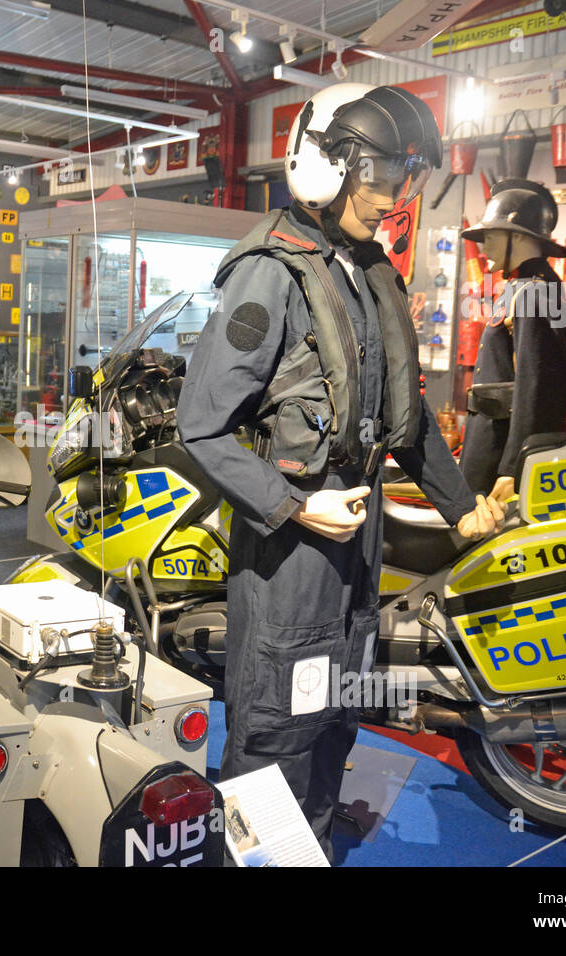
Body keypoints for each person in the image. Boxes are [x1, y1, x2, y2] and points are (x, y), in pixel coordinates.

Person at [176, 83, 502, 859]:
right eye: (379, 176)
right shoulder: (270, 273)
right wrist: (292, 506)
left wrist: (462, 513)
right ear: (328, 167)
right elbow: (203, 427)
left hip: (359, 540)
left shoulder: (369, 273)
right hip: (293, 548)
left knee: (335, 712)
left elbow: (408, 423)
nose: (392, 198)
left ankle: (308, 848)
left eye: (400, 178)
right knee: (277, 724)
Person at [458, 179, 566, 503]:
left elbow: (540, 385)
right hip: (490, 442)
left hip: (501, 453)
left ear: (518, 236)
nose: (484, 248)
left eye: (491, 237)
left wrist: (515, 466)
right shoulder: (521, 287)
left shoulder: (538, 290)